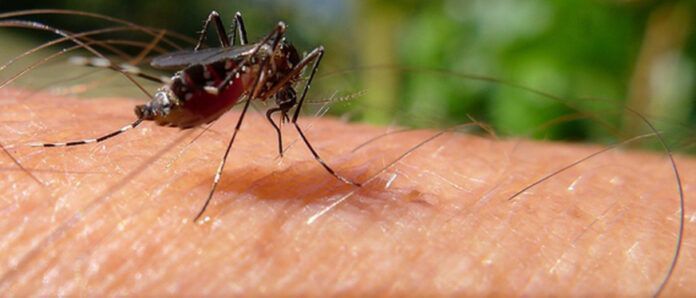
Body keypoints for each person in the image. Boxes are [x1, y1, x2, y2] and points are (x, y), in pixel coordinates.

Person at [0, 88, 693, 295]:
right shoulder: (257, 77)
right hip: (197, 96)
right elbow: (264, 100)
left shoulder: (266, 80)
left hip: (205, 94)